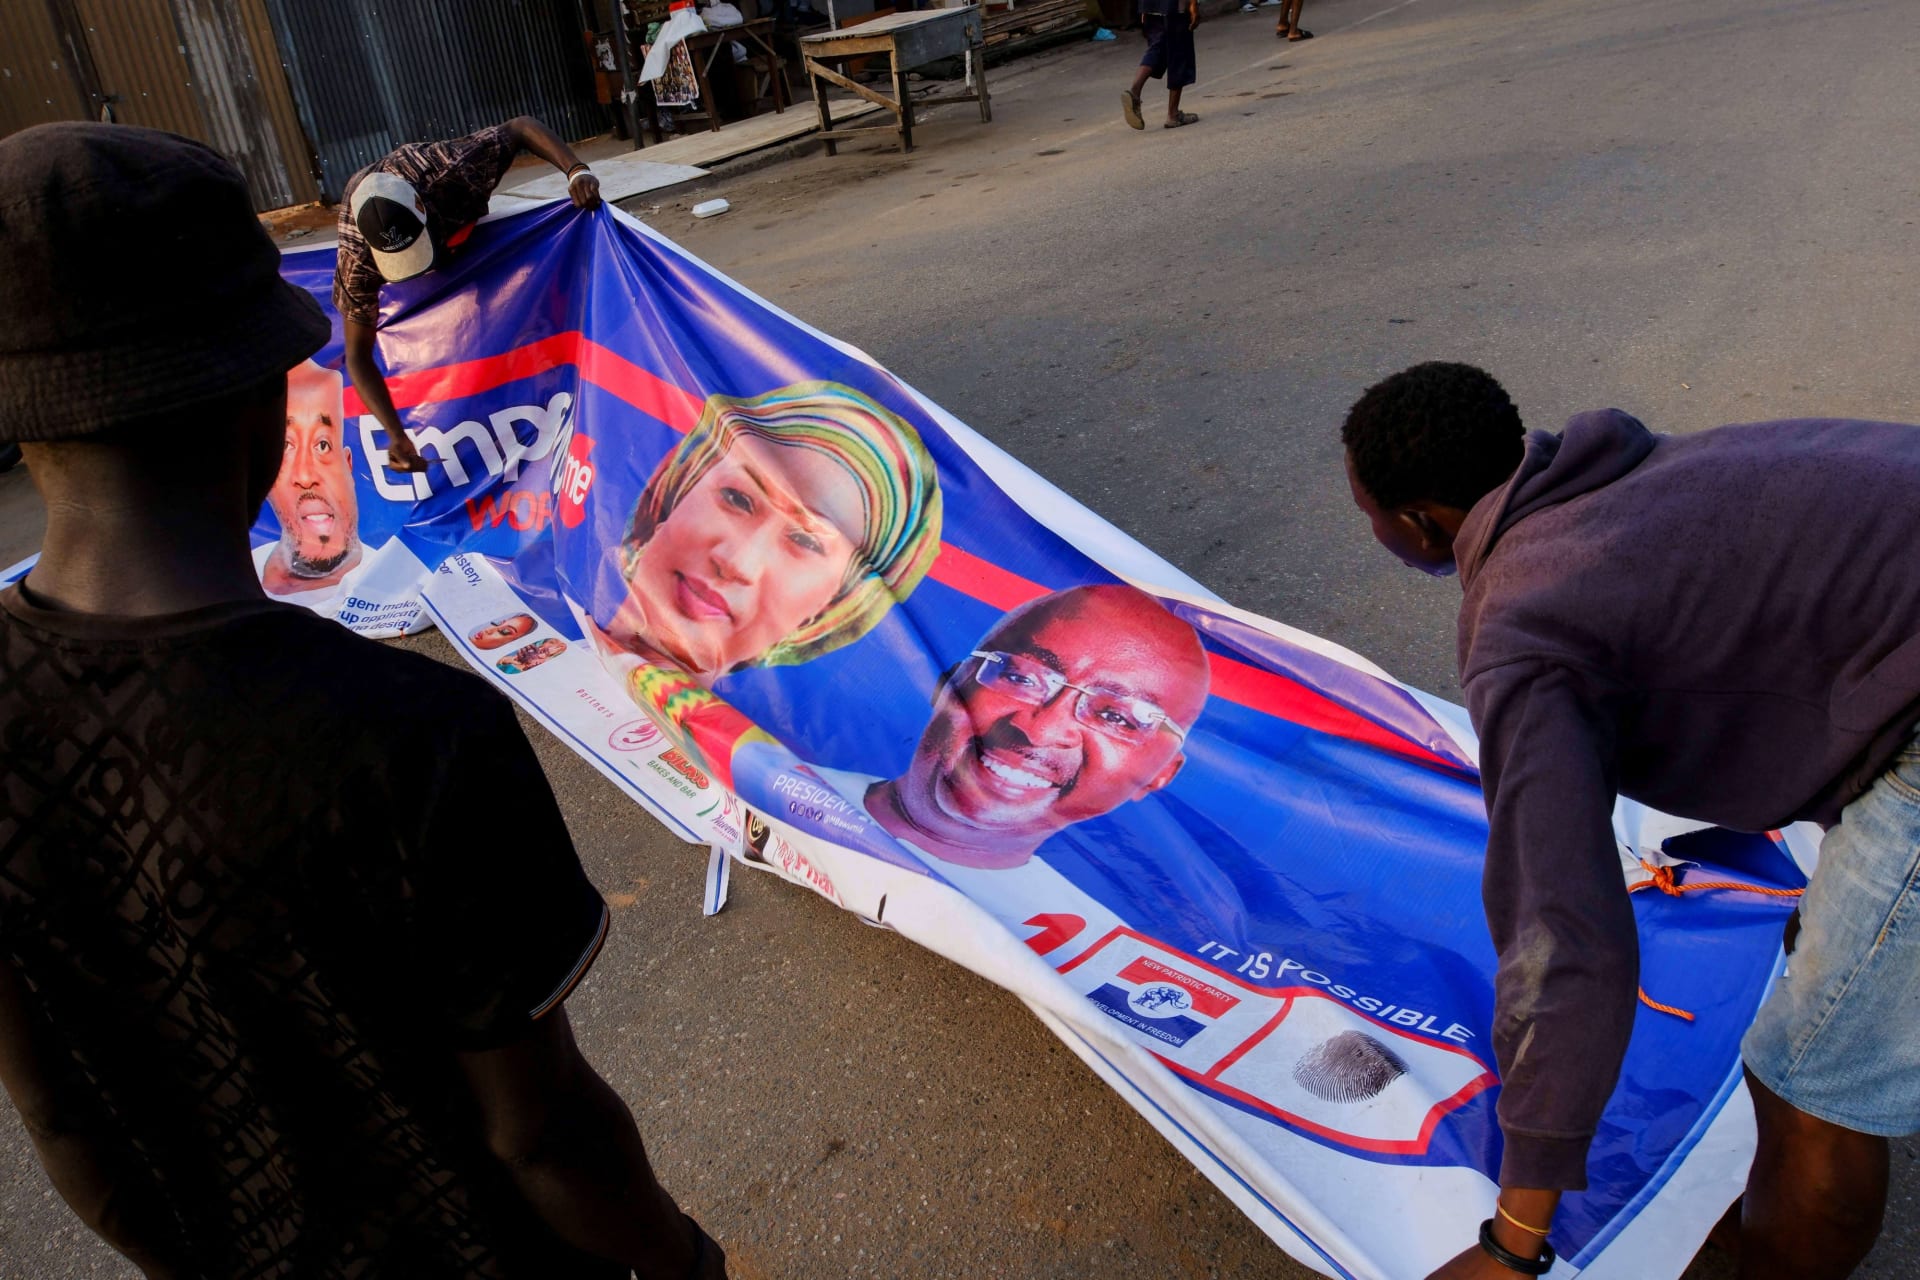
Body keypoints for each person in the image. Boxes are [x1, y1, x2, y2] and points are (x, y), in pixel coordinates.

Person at [0, 123, 724, 1280]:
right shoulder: (413, 734)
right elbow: (543, 1135)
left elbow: (68, 1122)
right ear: (258, 401)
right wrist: (683, 1259)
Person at [1339, 361, 1920, 1280]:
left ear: (1416, 523)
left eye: (1367, 511)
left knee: (1811, 1076)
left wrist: (1513, 1241)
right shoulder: (1619, 475)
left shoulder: (1525, 630)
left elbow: (1565, 937)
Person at [582, 381, 943, 787]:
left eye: (806, 541)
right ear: (678, 489)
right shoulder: (545, 607)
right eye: (737, 499)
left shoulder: (801, 790)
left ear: (829, 611)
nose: (737, 563)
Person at [853, 584, 1212, 870]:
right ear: (946, 684)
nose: (1041, 731)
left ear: (1160, 774)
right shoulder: (800, 783)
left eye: (1116, 717)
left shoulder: (1092, 949)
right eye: (1020, 677)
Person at [336, 117, 603, 475]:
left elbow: (521, 128)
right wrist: (395, 433)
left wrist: (575, 170)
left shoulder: (453, 170)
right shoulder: (357, 256)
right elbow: (356, 354)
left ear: (422, 206)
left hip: (462, 225)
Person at [258, 357, 362, 597]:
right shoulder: (232, 581)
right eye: (285, 445)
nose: (305, 476)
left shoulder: (399, 576)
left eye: (323, 445)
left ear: (348, 465)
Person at [1122, 0, 1201, 130]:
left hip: (1150, 5)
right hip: (1175, 5)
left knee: (1158, 47)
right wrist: (1193, 3)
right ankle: (1173, 114)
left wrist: (1144, 7)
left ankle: (1134, 92)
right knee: (1179, 52)